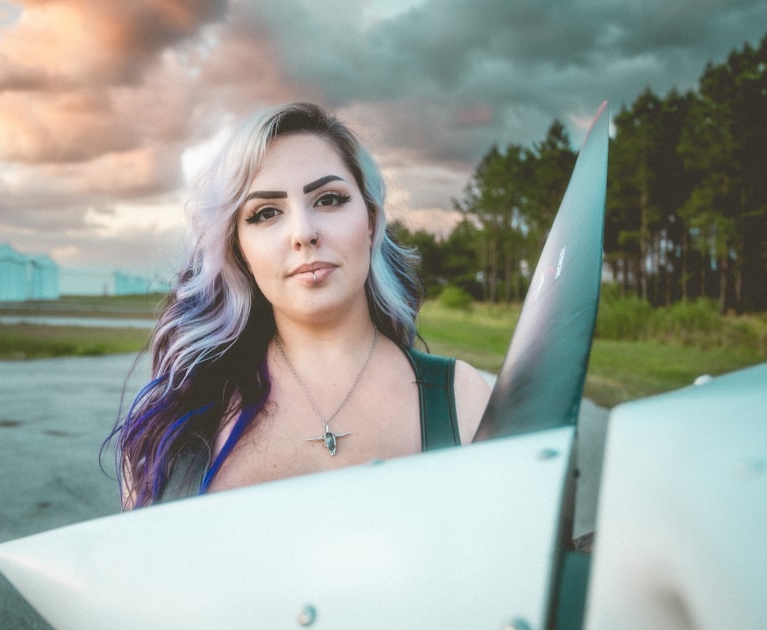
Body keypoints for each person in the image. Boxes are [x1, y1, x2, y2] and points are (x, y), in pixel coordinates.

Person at [111, 101, 491, 510]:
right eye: (266, 213)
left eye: (328, 200)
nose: (303, 233)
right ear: (239, 250)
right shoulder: (168, 432)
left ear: (371, 222)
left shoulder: (462, 398)